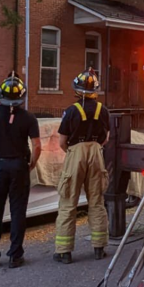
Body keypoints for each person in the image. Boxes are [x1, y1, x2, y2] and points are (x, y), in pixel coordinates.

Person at [0, 73, 41, 269]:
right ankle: (15, 255)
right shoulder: (29, 118)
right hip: (19, 166)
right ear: (22, 96)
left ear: (0, 94)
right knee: (18, 211)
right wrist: (32, 163)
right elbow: (36, 145)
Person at [53, 69, 110, 264]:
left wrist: (74, 152)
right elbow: (106, 138)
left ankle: (64, 251)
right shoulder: (103, 110)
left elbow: (62, 142)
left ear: (77, 89)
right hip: (96, 151)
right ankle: (99, 248)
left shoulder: (70, 111)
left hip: (75, 151)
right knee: (96, 201)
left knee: (69, 202)